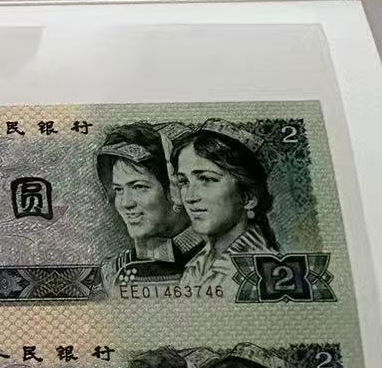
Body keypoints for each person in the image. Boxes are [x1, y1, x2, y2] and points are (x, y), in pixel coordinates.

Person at [171, 123, 279, 295]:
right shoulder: (196, 265)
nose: (190, 197)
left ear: (248, 197)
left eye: (206, 179)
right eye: (184, 182)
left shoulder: (262, 271)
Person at [96, 125, 202, 289]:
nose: (125, 203)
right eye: (118, 189)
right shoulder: (112, 272)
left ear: (176, 189)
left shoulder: (224, 262)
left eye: (139, 187)